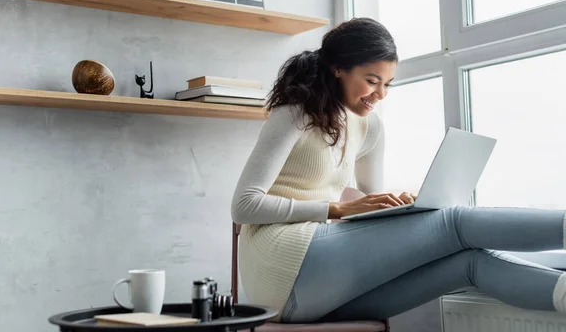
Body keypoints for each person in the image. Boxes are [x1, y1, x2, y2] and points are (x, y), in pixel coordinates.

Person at [230, 17, 566, 324]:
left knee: (469, 266)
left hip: (319, 288)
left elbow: (368, 200)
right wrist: (337, 208)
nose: (380, 94)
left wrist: (398, 206)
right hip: (281, 267)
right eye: (372, 80)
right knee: (456, 222)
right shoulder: (293, 115)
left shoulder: (369, 126)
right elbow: (244, 205)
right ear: (338, 69)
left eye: (388, 84)